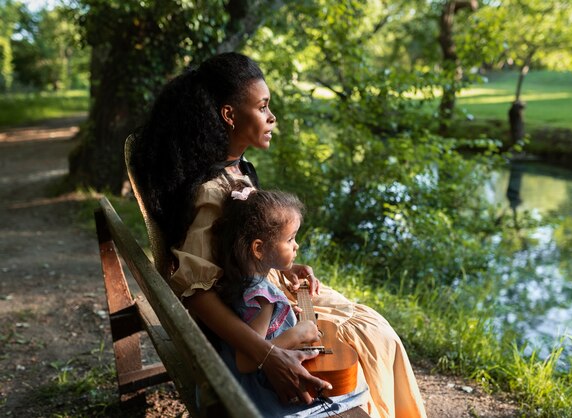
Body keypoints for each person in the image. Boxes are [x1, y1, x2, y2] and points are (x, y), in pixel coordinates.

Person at [131, 51, 427, 418]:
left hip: (263, 290)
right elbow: (197, 293)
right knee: (369, 335)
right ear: (229, 115)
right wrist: (268, 354)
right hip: (247, 319)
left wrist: (280, 262)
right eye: (263, 107)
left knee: (373, 329)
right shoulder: (212, 192)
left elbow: (240, 246)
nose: (272, 118)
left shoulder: (238, 172)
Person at [211, 184, 369, 416]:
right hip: (264, 393)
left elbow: (256, 331)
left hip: (232, 378)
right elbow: (246, 361)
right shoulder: (263, 297)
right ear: (258, 249)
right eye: (290, 239)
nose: (297, 246)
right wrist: (298, 333)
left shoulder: (235, 280)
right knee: (353, 389)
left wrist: (282, 315)